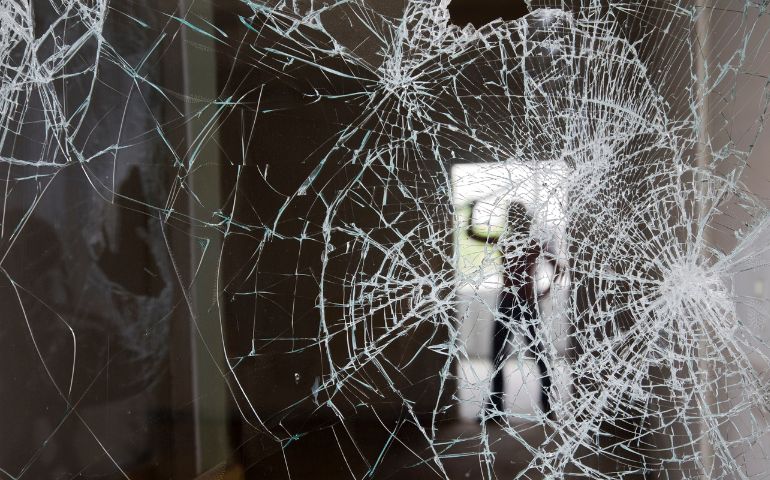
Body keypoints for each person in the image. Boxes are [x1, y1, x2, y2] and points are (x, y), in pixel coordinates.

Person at [466, 200, 564, 419]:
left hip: (523, 304)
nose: (513, 219)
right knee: (507, 356)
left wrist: (544, 292)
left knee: (536, 356)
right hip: (512, 303)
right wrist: (544, 292)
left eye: (514, 215)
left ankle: (544, 406)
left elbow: (558, 268)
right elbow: (472, 234)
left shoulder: (530, 242)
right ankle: (499, 408)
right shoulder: (512, 240)